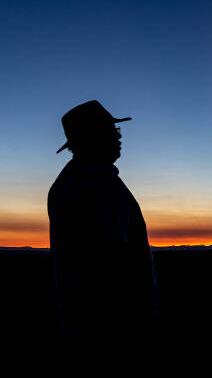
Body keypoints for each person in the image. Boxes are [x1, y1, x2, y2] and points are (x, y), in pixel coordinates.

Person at [48, 100, 158, 345]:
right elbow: (111, 259)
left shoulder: (77, 180)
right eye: (112, 130)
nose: (119, 138)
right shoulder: (95, 184)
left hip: (92, 324)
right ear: (94, 136)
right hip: (110, 328)